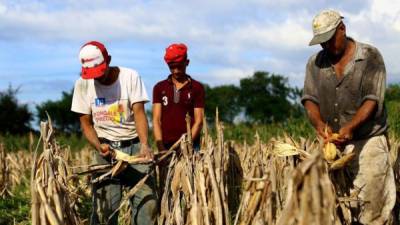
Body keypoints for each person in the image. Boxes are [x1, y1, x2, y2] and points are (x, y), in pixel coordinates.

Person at [302, 9, 396, 224]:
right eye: (321, 42)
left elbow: (372, 99)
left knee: (373, 209)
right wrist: (318, 124)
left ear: (342, 29)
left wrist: (351, 127)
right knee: (335, 208)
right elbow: (309, 98)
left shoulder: (370, 56)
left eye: (328, 39)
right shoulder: (314, 63)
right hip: (332, 145)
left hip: (367, 140)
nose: (325, 46)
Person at [71, 41, 157, 225]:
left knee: (147, 208)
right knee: (104, 212)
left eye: (100, 73)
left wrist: (144, 144)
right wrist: (99, 146)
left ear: (108, 60)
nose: (98, 79)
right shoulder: (82, 85)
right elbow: (86, 124)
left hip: (134, 148)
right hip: (106, 152)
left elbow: (140, 113)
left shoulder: (130, 77)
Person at [152, 43, 205, 152]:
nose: (176, 70)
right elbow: (156, 120)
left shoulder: (197, 88)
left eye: (179, 66)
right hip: (166, 146)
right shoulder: (159, 87)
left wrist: (187, 144)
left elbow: (199, 120)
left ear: (187, 63)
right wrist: (160, 147)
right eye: (172, 67)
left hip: (191, 146)